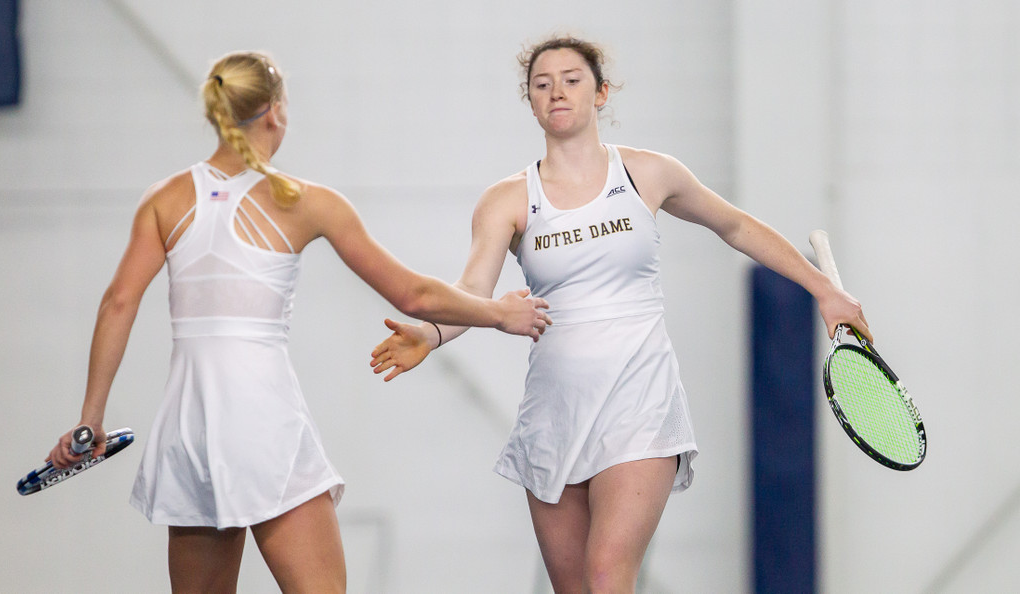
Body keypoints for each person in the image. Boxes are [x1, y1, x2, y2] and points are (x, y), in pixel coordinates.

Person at [369, 36, 871, 592]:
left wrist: (823, 289)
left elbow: (735, 226)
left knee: (609, 575)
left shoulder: (648, 173)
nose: (557, 90)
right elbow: (472, 293)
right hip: (554, 411)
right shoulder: (507, 199)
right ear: (531, 102)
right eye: (542, 83)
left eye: (572, 79)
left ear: (601, 93)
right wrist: (431, 334)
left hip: (640, 400)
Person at [46, 50, 551, 593]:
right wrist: (499, 312)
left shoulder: (165, 199)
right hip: (261, 423)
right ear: (274, 111)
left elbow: (117, 303)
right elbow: (415, 294)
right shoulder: (305, 201)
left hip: (187, 426)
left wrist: (89, 420)